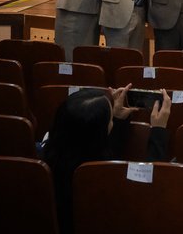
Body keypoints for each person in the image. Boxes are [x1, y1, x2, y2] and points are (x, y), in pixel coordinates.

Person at [43, 86, 171, 234]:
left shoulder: (49, 161)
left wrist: (118, 119)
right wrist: (158, 130)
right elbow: (148, 193)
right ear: (99, 134)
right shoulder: (105, 181)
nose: (112, 123)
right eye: (110, 120)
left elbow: (100, 148)